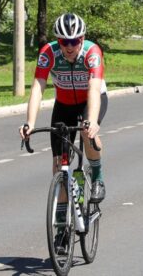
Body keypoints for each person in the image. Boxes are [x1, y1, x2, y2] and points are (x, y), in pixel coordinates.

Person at [20, 13, 108, 252]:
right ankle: (61, 231)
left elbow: (93, 88)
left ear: (82, 38)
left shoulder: (92, 52)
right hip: (64, 105)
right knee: (59, 166)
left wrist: (91, 120)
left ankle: (98, 177)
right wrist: (29, 122)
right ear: (58, 41)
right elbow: (38, 87)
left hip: (91, 100)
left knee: (89, 133)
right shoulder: (48, 53)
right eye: (64, 42)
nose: (69, 47)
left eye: (74, 41)